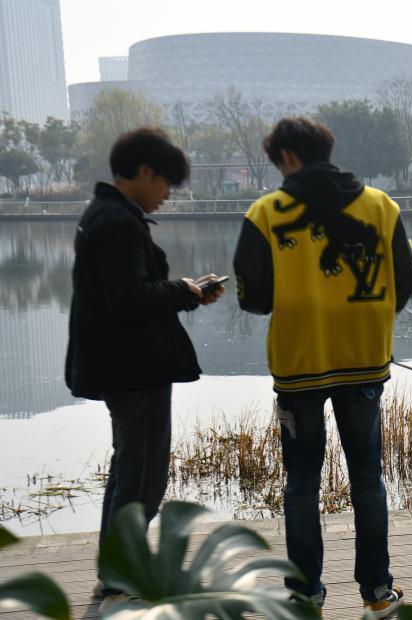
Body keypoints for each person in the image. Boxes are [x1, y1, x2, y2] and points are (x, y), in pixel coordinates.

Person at [233, 117, 412, 617]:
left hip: (299, 370)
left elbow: (252, 298)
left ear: (288, 157)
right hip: (364, 366)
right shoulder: (382, 207)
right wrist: (367, 317)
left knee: (301, 484)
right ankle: (377, 595)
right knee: (367, 479)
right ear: (326, 149)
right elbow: (406, 282)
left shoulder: (266, 212)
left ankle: (306, 597)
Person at [65, 128, 224, 601]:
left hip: (125, 366)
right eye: (165, 185)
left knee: (130, 469)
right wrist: (182, 291)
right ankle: (120, 578)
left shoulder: (107, 215)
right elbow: (128, 298)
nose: (165, 195)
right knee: (141, 475)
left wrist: (185, 293)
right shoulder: (116, 222)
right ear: (144, 172)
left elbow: (128, 294)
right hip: (133, 370)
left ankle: (119, 570)